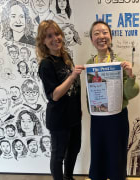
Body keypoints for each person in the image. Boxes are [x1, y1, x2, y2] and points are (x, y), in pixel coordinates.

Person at [87, 21, 140, 180]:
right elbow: (89, 95)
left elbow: (131, 93)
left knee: (116, 158)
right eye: (96, 33)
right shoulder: (90, 64)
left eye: (104, 32)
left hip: (117, 118)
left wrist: (130, 75)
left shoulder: (120, 63)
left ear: (110, 37)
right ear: (91, 40)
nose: (101, 36)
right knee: (99, 155)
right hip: (98, 119)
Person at [36, 20, 84, 180]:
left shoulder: (65, 56)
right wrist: (72, 76)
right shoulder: (46, 65)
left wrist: (79, 108)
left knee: (74, 149)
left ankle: (68, 177)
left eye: (57, 34)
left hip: (74, 116)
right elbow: (55, 95)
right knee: (58, 156)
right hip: (59, 119)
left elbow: (74, 89)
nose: (55, 38)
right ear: (43, 41)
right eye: (49, 36)